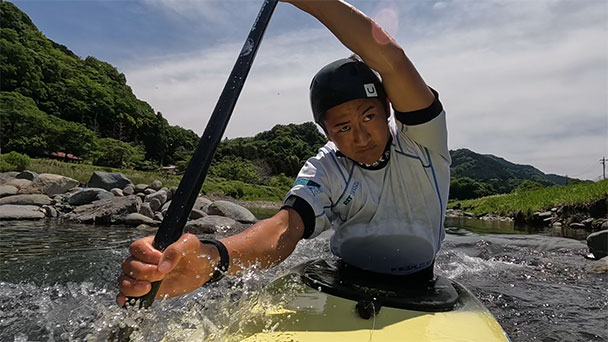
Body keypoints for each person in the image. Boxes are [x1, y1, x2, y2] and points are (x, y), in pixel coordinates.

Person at [116, 0, 450, 306]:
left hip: (423, 285)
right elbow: (283, 229)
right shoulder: (326, 168)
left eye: (369, 116)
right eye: (343, 128)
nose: (361, 136)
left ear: (388, 108)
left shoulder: (423, 139)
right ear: (326, 132)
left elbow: (392, 61)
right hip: (345, 282)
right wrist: (212, 259)